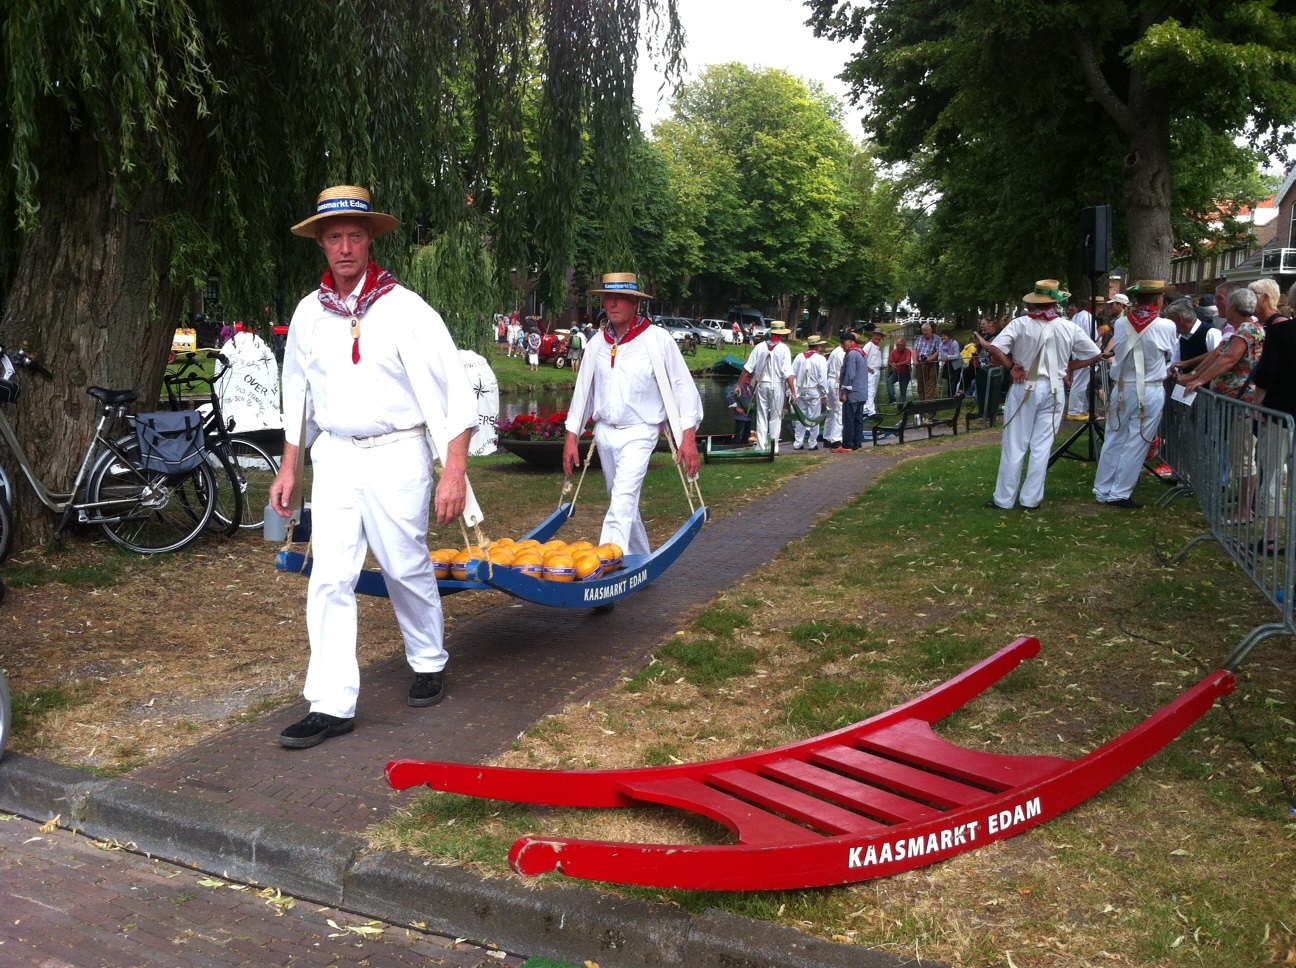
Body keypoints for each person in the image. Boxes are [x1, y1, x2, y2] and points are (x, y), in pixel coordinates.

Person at [268, 185, 478, 749]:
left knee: (404, 563)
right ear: (320, 243)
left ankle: (429, 659)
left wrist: (453, 469)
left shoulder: (406, 308)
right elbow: (297, 394)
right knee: (329, 575)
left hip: (397, 452)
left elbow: (456, 392)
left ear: (369, 240)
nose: (344, 247)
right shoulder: (310, 313)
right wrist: (290, 466)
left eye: (354, 236)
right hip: (334, 454)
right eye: (333, 237)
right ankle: (331, 704)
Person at [562, 273, 702, 558]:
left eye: (620, 299)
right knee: (622, 500)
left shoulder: (658, 340)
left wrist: (688, 438)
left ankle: (604, 566)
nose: (612, 304)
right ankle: (639, 558)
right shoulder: (596, 344)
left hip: (641, 431)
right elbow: (583, 393)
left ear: (634, 303)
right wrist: (571, 437)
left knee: (623, 498)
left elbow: (682, 388)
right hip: (605, 432)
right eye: (607, 298)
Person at [981, 279, 1102, 510]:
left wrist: (1010, 366)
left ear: (1034, 302)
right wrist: (1070, 368)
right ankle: (1031, 499)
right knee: (1042, 445)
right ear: (1056, 302)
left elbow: (994, 347)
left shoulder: (1020, 324)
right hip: (1055, 389)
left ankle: (1005, 499)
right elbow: (1096, 354)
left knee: (1015, 444)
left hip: (1026, 385)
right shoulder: (1069, 327)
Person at [1092, 280, 1179, 509]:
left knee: (1113, 438)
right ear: (1158, 300)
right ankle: (1120, 492)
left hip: (1122, 386)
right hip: (1149, 387)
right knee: (1137, 441)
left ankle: (1103, 488)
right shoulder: (1166, 325)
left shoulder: (1121, 324)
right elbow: (1169, 354)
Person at [1249, 282, 1296, 553]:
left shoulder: (1280, 332)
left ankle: (1270, 538)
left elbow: (1267, 374)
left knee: (1273, 474)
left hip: (1279, 414)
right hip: (1282, 414)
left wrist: (1257, 405)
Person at [736, 321, 796, 452]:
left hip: (762, 385)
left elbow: (747, 369)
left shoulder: (759, 347)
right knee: (775, 417)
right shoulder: (784, 349)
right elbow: (788, 373)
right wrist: (793, 392)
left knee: (761, 416)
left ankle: (760, 446)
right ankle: (773, 447)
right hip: (777, 386)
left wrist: (739, 385)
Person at [833, 332, 869, 452]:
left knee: (848, 419)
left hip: (852, 393)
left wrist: (844, 392)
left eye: (843, 343)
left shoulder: (852, 354)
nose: (842, 346)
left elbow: (850, 374)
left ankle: (847, 444)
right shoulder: (861, 353)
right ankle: (857, 443)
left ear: (851, 342)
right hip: (862, 392)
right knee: (858, 420)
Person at [791, 335, 828, 450]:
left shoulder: (799, 357)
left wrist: (792, 392)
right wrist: (824, 395)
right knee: (814, 418)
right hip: (814, 391)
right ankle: (812, 443)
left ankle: (798, 442)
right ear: (817, 346)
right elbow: (822, 379)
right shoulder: (820, 359)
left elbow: (792, 375)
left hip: (800, 390)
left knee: (800, 417)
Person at [1066, 295, 1096, 420]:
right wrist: (1100, 333)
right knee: (1080, 383)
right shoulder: (1088, 317)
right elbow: (1091, 337)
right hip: (1086, 353)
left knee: (1080, 382)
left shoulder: (1077, 317)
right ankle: (1075, 411)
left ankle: (1081, 408)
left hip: (1078, 352)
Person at [822, 337, 845, 448]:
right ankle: (836, 439)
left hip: (830, 381)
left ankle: (827, 436)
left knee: (831, 411)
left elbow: (826, 365)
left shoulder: (835, 350)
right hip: (837, 382)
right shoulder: (843, 354)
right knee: (839, 412)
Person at [913, 322, 941, 400]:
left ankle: (928, 404)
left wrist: (931, 358)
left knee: (930, 385)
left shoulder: (937, 339)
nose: (924, 332)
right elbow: (914, 349)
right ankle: (921, 402)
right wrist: (915, 360)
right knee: (920, 385)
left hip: (932, 365)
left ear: (930, 330)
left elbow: (938, 351)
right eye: (923, 331)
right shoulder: (919, 338)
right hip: (920, 364)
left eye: (926, 330)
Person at [863, 328, 884, 416]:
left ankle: (868, 408)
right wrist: (867, 367)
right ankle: (870, 411)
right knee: (870, 390)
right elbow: (862, 356)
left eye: (879, 336)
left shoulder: (877, 346)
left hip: (876, 370)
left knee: (873, 391)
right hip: (870, 371)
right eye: (876, 335)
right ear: (873, 335)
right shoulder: (869, 345)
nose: (878, 337)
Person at [887, 335, 912, 405]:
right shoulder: (893, 352)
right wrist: (893, 365)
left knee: (903, 390)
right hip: (896, 372)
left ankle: (901, 405)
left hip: (905, 374)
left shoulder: (908, 351)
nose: (899, 347)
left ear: (904, 345)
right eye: (897, 345)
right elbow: (889, 362)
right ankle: (892, 398)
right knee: (889, 381)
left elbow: (908, 361)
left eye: (900, 345)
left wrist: (899, 364)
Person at [938, 329, 963, 397]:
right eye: (942, 336)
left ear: (949, 336)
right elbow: (940, 355)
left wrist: (948, 357)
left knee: (954, 383)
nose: (943, 337)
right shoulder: (941, 344)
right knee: (949, 383)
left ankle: (953, 398)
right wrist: (940, 358)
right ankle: (950, 398)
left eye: (945, 336)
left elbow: (957, 355)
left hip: (956, 366)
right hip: (948, 366)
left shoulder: (954, 343)